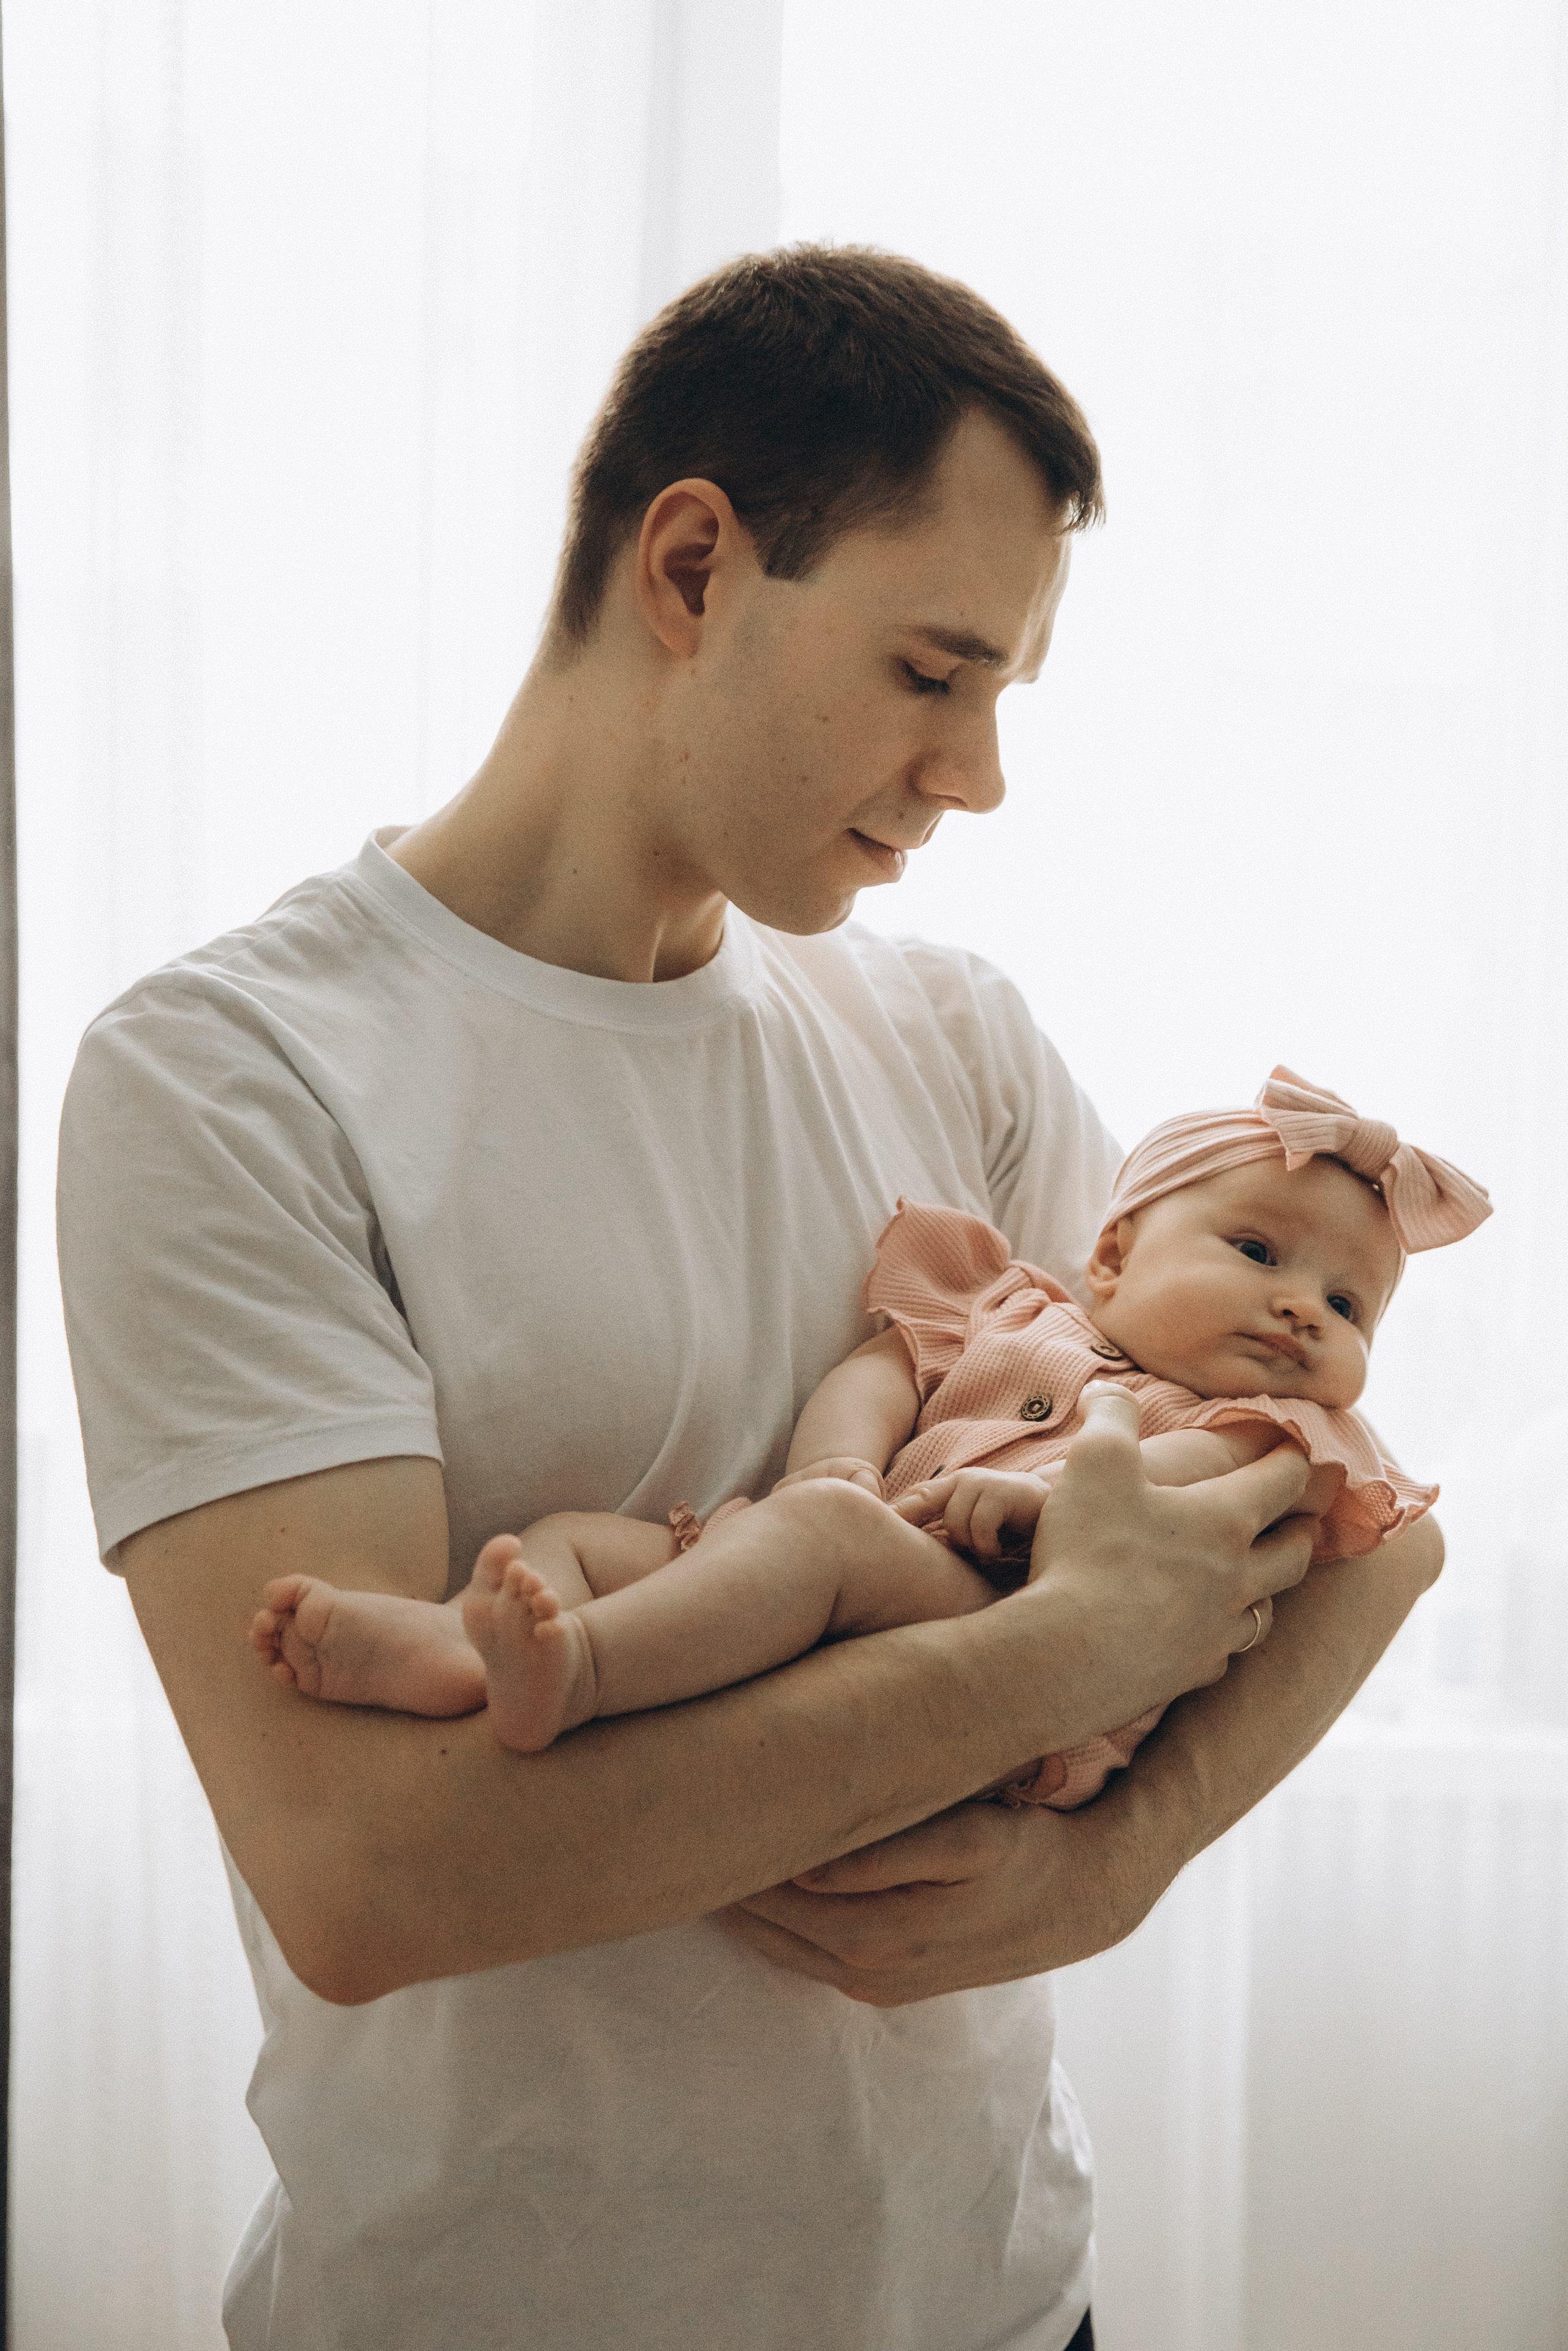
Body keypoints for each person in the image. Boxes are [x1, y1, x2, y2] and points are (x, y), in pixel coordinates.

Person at [56, 247, 1444, 2351]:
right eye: (932, 671)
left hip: (1002, 2305)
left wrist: (1118, 1856)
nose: (977, 773)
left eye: (1002, 695)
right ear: (695, 565)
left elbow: (1351, 1523)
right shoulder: (235, 1081)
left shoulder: (960, 1045)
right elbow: (368, 1874)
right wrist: (1054, 1655)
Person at [247, 1066, 1487, 1809]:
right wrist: (831, 1464)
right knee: (580, 1537)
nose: (1299, 1310)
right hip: (858, 1561)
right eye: (1259, 1253)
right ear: (1110, 1256)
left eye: (1346, 1306)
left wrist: (1045, 1508)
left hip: (999, 1629)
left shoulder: (1264, 1432)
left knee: (821, 1543)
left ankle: (578, 1674)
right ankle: (457, 1648)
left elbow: (1168, 1490)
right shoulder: (1008, 1306)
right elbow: (879, 1375)